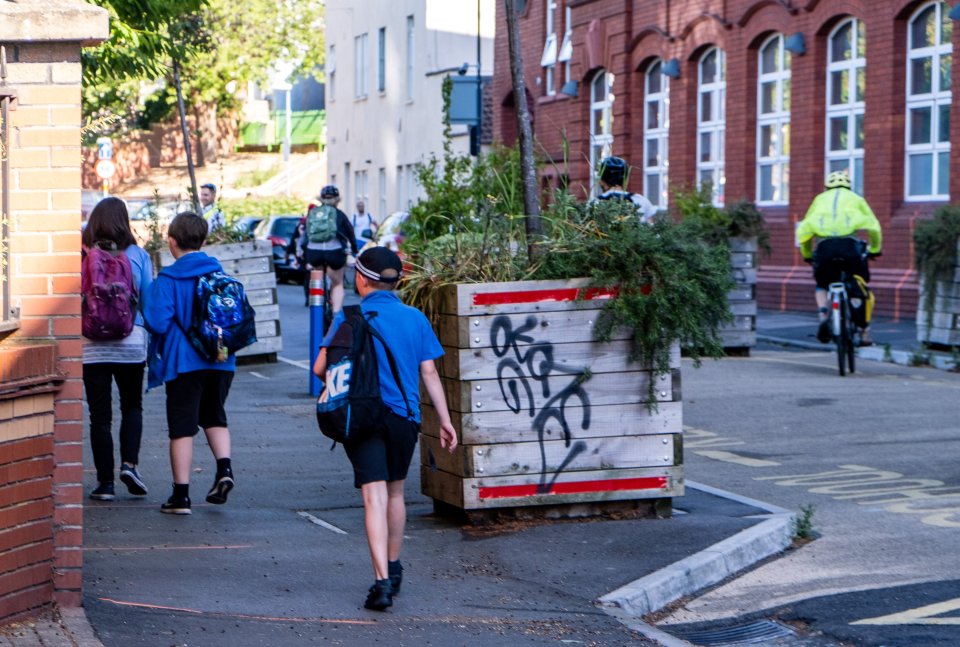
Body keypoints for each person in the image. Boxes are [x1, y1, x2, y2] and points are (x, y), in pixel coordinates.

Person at [312, 247, 457, 611]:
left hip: (362, 416)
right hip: (404, 419)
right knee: (394, 493)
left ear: (361, 279)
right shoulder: (415, 318)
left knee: (372, 497)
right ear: (398, 281)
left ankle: (380, 584)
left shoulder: (349, 317)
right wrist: (445, 420)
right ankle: (393, 567)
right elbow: (429, 374)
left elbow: (319, 370)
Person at [143, 212, 237, 515]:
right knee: (214, 416)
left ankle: (181, 495)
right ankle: (224, 470)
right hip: (221, 359)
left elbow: (157, 322)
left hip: (184, 363)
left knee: (182, 427)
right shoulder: (220, 275)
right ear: (204, 240)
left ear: (171, 241)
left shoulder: (169, 279)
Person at [82, 197, 153, 501]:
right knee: (132, 406)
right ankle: (130, 465)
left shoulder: (83, 255)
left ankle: (105, 484)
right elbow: (149, 302)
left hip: (92, 346)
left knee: (100, 416)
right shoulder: (138, 255)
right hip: (130, 342)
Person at [797, 170, 882, 346]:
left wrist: (807, 255)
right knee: (859, 285)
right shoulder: (857, 199)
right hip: (850, 248)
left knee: (822, 283)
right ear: (849, 186)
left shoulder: (819, 200)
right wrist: (875, 249)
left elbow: (804, 232)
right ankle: (864, 331)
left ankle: (823, 315)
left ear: (826, 187)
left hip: (824, 249)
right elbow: (874, 227)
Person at [299, 185, 359, 315]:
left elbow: (305, 234)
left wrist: (303, 251)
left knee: (317, 280)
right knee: (337, 283)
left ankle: (317, 308)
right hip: (334, 252)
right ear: (337, 200)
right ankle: (336, 313)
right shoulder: (339, 214)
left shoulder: (313, 213)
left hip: (314, 252)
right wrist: (354, 249)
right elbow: (350, 232)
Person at [595, 155, 658, 223]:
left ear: (601, 180)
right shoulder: (642, 201)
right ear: (626, 178)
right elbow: (651, 228)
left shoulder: (595, 203)